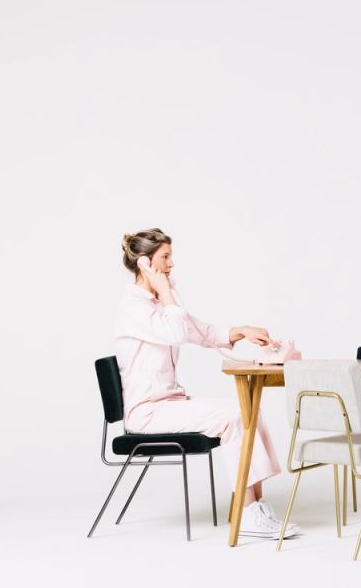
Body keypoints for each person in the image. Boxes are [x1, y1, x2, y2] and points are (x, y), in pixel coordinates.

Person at [115, 227, 298, 539]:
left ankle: (256, 506)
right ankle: (247, 511)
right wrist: (167, 290)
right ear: (145, 263)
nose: (171, 265)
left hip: (170, 404)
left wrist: (241, 330)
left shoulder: (161, 306)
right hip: (147, 413)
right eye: (165, 258)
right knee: (234, 416)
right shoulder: (133, 307)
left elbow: (199, 332)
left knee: (247, 410)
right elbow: (174, 332)